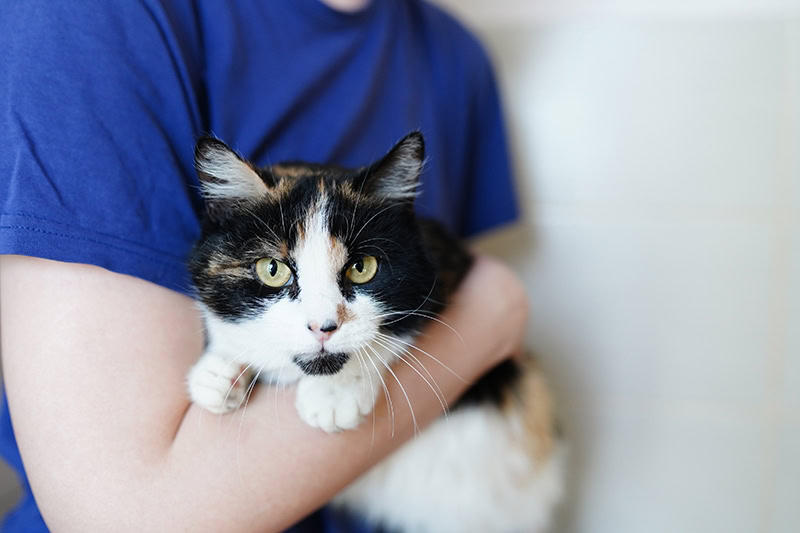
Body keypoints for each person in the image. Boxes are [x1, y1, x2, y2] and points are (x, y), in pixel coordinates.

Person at [0, 0, 527, 531]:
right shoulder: (88, 18)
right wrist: (493, 310)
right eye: (275, 272)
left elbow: (427, 278)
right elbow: (129, 520)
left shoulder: (453, 53)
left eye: (359, 271)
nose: (324, 322)